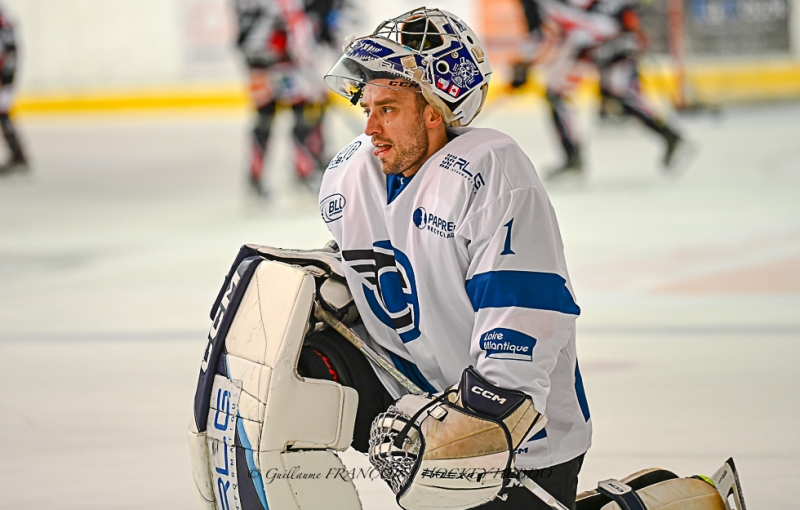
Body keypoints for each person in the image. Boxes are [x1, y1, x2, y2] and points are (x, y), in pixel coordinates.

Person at [317, 8, 590, 509]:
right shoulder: (352, 174)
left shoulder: (491, 174)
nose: (370, 127)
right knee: (286, 369)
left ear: (434, 112)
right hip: (417, 397)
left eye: (389, 109)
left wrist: (474, 430)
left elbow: (521, 324)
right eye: (368, 107)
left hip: (523, 445)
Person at [510, 0, 690, 180]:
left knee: (557, 94)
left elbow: (536, 34)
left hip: (591, 40)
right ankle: (670, 136)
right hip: (613, 35)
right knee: (618, 94)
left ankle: (573, 160)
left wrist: (522, 66)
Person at [233, 0, 342, 198]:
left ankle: (256, 178)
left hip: (256, 63)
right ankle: (304, 171)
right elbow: (294, 22)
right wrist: (307, 64)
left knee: (264, 119)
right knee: (301, 114)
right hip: (283, 63)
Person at [0, 4, 27, 175]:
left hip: (4, 74)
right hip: (6, 73)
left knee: (3, 113)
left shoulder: (3, 19)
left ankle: (18, 156)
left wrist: (5, 78)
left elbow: (9, 50)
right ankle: (18, 156)